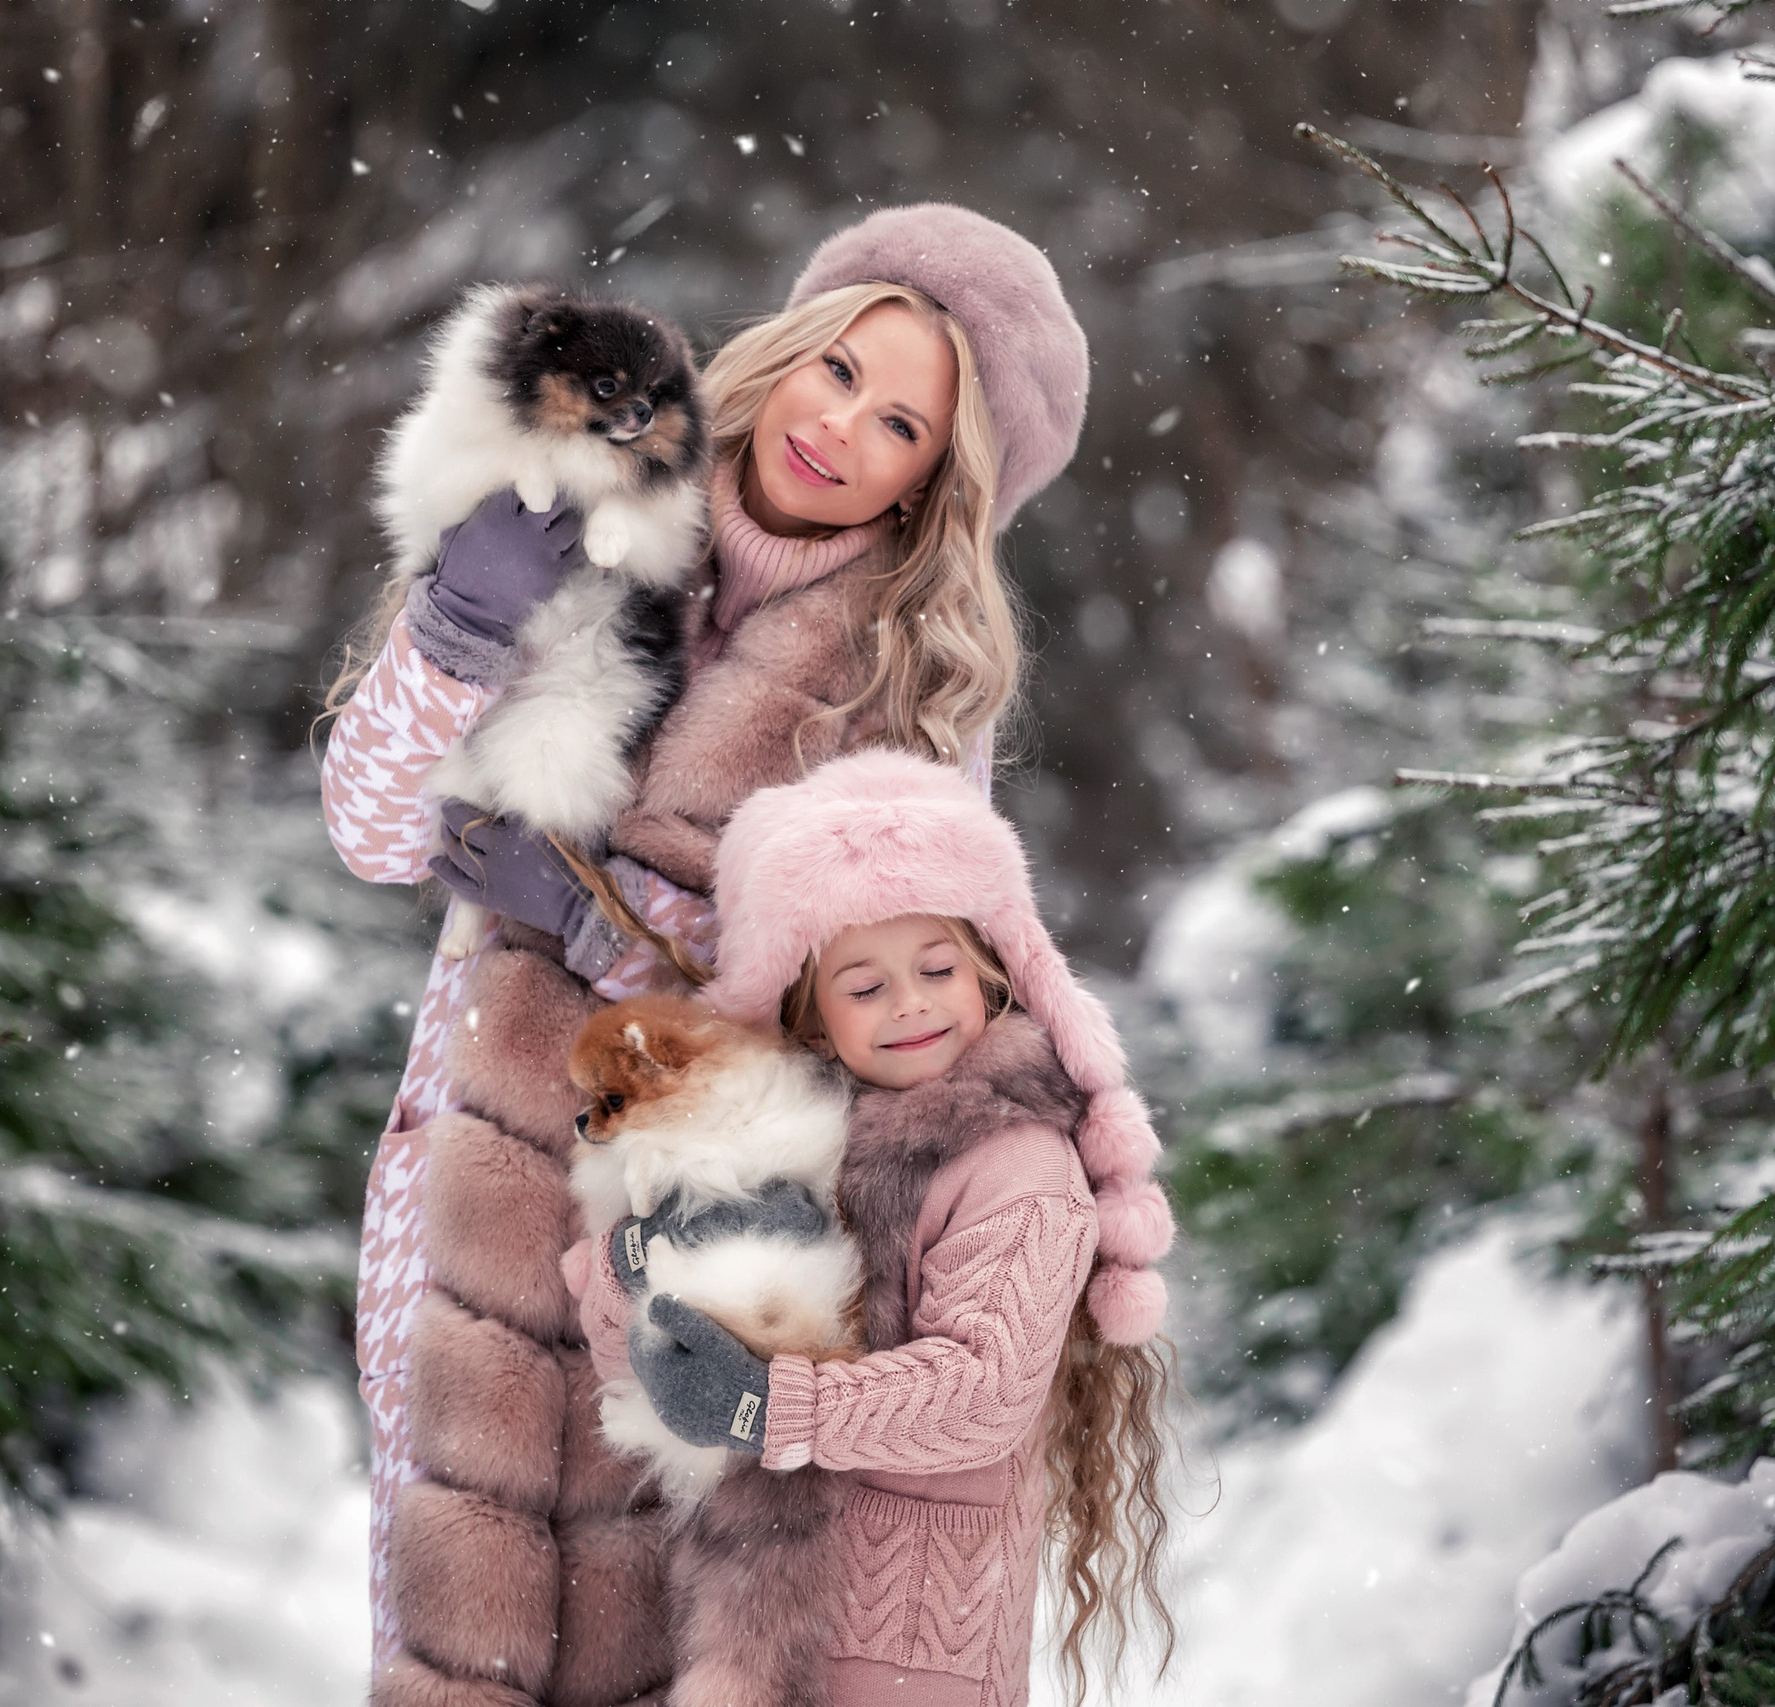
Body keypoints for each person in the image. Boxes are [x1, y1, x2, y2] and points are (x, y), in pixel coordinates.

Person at [317, 204, 1122, 1669]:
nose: (841, 430)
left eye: (902, 426)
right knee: (449, 1638)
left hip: (674, 1235)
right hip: (460, 1187)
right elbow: (373, 830)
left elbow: (859, 1011)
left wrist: (602, 926)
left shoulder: (910, 686)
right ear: (792, 347)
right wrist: (456, 623)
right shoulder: (593, 517)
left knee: (633, 1654)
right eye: (840, 371)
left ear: (937, 478)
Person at [575, 750, 1176, 1706]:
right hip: (753, 1625)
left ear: (992, 975)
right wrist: (644, 1255)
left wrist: (768, 1406)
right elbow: (637, 1358)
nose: (908, 1001)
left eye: (937, 967)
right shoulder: (789, 1148)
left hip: (913, 1647)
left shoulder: (1018, 1167)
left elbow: (984, 1391)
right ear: (810, 1023)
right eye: (864, 986)